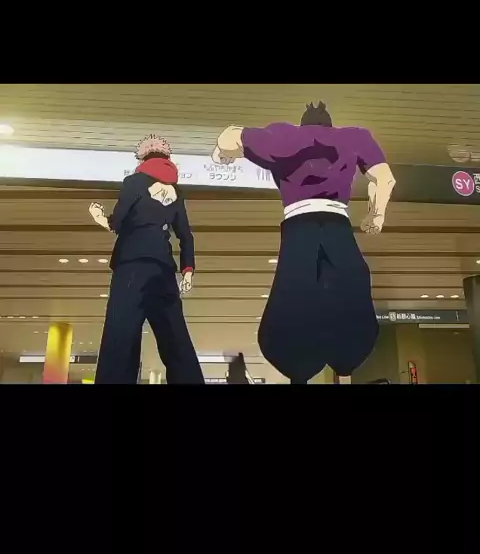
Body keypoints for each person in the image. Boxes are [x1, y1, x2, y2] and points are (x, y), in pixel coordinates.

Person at [212, 102, 396, 385]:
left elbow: (229, 137)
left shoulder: (282, 135)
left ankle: (297, 370)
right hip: (337, 222)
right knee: (351, 287)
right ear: (330, 123)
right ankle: (345, 366)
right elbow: (385, 179)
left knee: (293, 292)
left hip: (298, 224)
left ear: (302, 122)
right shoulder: (355, 136)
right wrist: (376, 214)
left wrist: (221, 154)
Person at [88, 134, 205, 385]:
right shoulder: (176, 191)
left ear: (142, 157)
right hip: (164, 269)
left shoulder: (135, 182)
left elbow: (118, 221)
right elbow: (185, 235)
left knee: (122, 332)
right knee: (175, 336)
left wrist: (101, 217)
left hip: (133, 264)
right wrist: (188, 269)